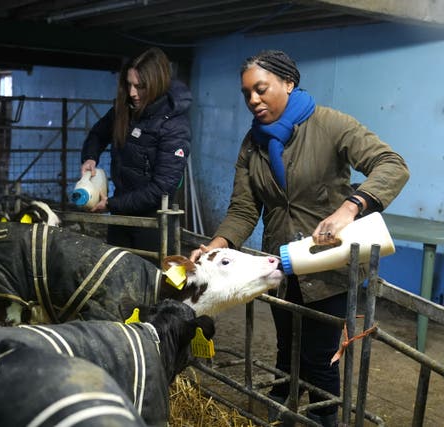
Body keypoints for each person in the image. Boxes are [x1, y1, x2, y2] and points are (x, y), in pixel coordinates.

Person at [189, 50, 409, 426]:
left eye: (261, 89)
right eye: (247, 94)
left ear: (289, 83)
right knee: (286, 345)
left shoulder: (330, 125)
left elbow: (392, 164)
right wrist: (218, 245)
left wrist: (351, 206)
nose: (253, 100)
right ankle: (283, 409)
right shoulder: (251, 145)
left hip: (328, 265)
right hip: (281, 264)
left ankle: (324, 419)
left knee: (319, 358)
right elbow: (244, 209)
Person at [80, 47, 191, 255]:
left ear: (156, 84)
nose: (132, 93)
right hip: (121, 215)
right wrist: (89, 157)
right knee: (114, 274)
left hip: (153, 221)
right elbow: (98, 134)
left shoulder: (174, 126)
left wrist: (111, 204)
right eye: (129, 85)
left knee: (147, 279)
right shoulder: (125, 111)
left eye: (140, 87)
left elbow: (161, 188)